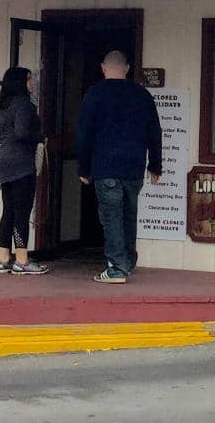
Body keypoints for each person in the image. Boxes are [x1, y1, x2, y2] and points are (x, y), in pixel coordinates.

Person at [76, 50, 162, 284]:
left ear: (103, 67)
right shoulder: (142, 95)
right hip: (134, 167)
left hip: (105, 167)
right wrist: (155, 165)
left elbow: (84, 133)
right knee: (129, 214)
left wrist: (83, 168)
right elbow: (155, 132)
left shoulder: (94, 94)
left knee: (111, 216)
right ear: (127, 68)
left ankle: (116, 267)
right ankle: (128, 260)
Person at [0, 66, 49, 275]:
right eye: (29, 79)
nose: (32, 83)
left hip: (3, 161)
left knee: (8, 210)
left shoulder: (4, 106)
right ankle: (22, 259)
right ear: (20, 82)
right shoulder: (25, 104)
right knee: (22, 211)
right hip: (21, 162)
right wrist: (40, 137)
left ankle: (3, 257)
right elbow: (23, 132)